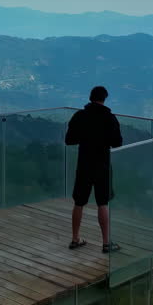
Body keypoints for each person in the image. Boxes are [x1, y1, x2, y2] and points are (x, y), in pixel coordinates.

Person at [64, 85, 123, 253]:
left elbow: (69, 140)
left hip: (84, 164)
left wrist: (85, 137)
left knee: (79, 201)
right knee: (102, 203)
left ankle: (75, 238)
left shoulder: (80, 116)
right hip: (102, 165)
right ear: (104, 99)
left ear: (90, 97)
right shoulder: (109, 118)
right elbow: (117, 142)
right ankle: (106, 243)